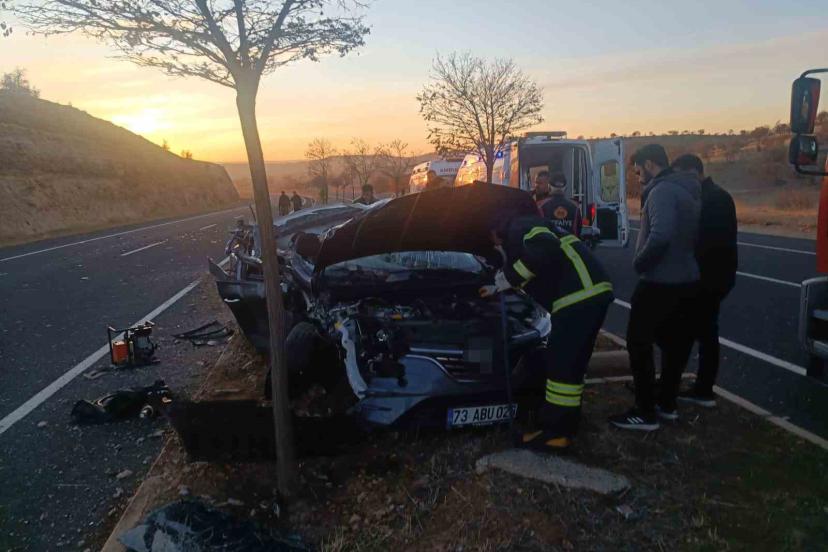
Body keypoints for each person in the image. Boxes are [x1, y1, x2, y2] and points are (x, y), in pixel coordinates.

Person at [479, 213, 613, 451]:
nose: (495, 245)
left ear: (495, 229)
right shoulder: (522, 228)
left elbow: (546, 248)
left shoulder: (521, 225)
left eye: (493, 240)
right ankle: (562, 427)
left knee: (562, 364)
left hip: (578, 296)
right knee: (569, 365)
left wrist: (507, 278)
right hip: (586, 295)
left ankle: (555, 432)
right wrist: (499, 284)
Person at [609, 144, 701, 431]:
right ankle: (667, 404)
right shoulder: (688, 189)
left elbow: (660, 235)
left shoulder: (662, 191)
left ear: (650, 165)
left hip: (659, 282)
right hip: (686, 280)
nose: (638, 178)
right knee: (674, 344)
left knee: (639, 343)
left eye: (638, 171)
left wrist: (640, 263)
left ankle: (645, 411)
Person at [671, 154, 737, 407]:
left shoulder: (712, 199)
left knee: (701, 331)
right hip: (713, 275)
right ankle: (697, 386)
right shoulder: (715, 195)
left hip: (708, 277)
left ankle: (702, 389)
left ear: (692, 172)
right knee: (701, 330)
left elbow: (706, 243)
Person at [537, 171, 582, 237]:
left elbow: (537, 229)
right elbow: (578, 230)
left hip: (548, 245)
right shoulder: (575, 207)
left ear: (549, 187)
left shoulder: (540, 205)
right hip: (571, 246)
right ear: (565, 188)